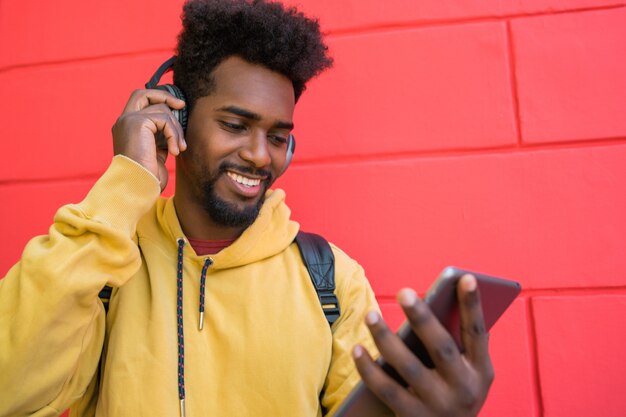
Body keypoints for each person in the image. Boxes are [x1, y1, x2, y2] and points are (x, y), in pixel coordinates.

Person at [0, 1, 494, 416]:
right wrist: (127, 184)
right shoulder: (104, 264)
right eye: (236, 125)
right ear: (176, 119)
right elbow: (11, 389)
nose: (261, 155)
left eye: (278, 137)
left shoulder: (333, 280)